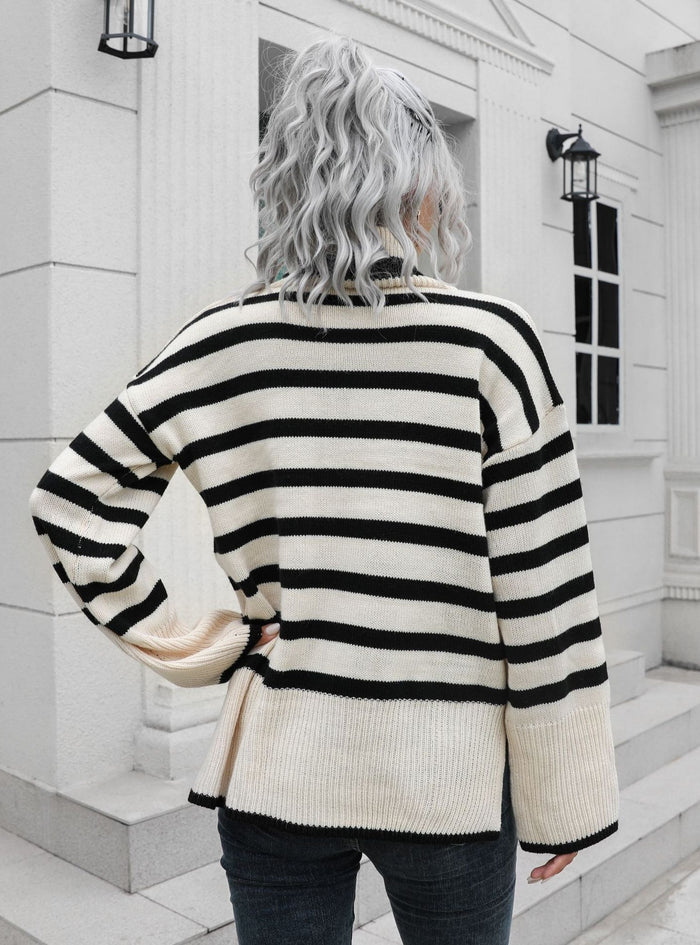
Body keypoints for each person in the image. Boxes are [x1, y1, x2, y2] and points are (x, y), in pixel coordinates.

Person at [28, 32, 619, 945]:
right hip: (450, 788)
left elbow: (72, 505)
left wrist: (203, 647)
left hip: (275, 774)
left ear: (285, 181)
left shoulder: (221, 342)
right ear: (423, 185)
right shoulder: (490, 345)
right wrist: (565, 792)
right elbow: (546, 595)